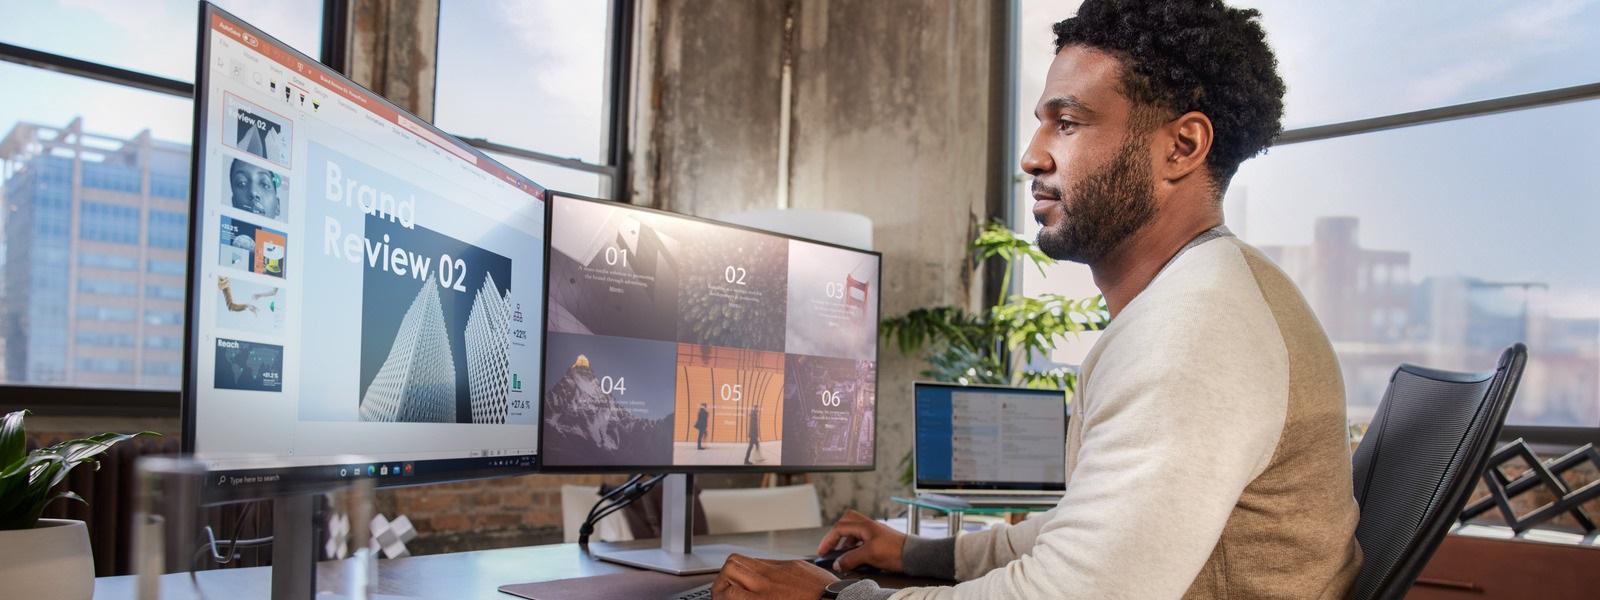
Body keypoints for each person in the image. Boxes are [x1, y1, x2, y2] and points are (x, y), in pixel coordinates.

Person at [711, 1, 1362, 598]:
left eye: (1069, 123)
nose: (1030, 157)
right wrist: (919, 554)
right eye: (1040, 125)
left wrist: (832, 597)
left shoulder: (1193, 337)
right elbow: (1086, 534)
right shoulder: (1207, 292)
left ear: (1181, 147)